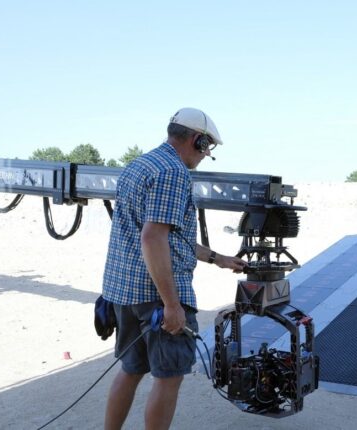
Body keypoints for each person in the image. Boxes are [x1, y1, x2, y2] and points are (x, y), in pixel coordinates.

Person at [101, 107, 248, 430]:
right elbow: (153, 238)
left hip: (124, 292)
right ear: (197, 140)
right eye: (207, 148)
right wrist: (171, 304)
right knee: (169, 378)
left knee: (130, 370)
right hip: (156, 297)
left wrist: (218, 258)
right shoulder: (173, 172)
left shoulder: (139, 165)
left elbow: (167, 236)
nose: (206, 155)